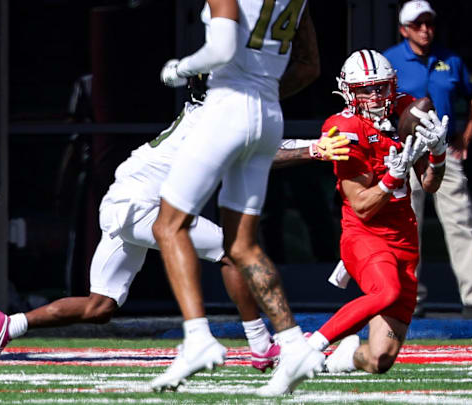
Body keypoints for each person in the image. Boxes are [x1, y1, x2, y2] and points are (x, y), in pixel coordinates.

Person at [0, 95, 349, 376]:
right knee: (232, 251)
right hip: (139, 207)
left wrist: (313, 146)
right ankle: (260, 344)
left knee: (100, 307)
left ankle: (9, 324)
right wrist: (313, 150)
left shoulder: (210, 113)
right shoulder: (211, 121)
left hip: (125, 204)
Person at [149, 0, 326, 396]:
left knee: (168, 224)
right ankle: (294, 345)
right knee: (242, 245)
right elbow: (310, 66)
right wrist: (262, 89)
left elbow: (222, 50)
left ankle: (197, 337)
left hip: (228, 106)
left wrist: (180, 69)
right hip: (268, 112)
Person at [304, 49, 448, 375]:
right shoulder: (343, 127)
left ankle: (341, 359)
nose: (374, 95)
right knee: (387, 291)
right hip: (365, 233)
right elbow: (362, 206)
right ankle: (309, 345)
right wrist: (392, 177)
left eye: (381, 87)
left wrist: (438, 156)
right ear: (347, 92)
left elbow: (430, 184)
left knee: (380, 360)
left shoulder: (407, 111)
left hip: (404, 236)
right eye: (365, 89)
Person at [383, 0, 472, 318]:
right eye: (417, 25)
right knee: (407, 224)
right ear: (404, 30)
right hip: (405, 150)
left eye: (429, 23)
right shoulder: (389, 60)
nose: (425, 30)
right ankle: (410, 298)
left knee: (460, 221)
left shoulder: (450, 59)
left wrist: (465, 136)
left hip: (442, 150)